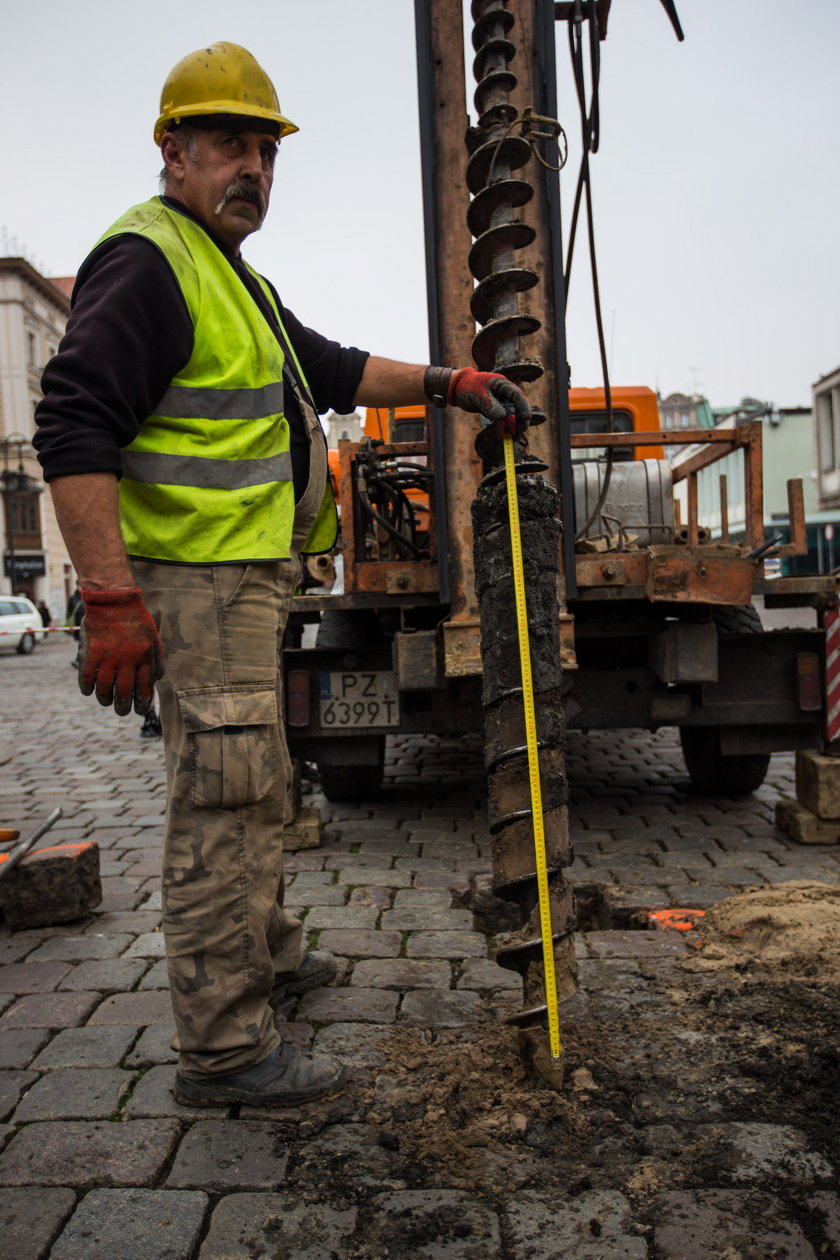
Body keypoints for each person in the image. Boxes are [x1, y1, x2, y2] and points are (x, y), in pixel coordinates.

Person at [34, 42, 531, 1108]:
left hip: (244, 585)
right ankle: (223, 1050)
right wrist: (111, 596)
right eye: (227, 144)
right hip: (194, 585)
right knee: (221, 801)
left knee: (257, 786)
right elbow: (70, 422)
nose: (251, 166)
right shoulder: (149, 262)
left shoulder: (232, 278)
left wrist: (450, 380)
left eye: (264, 148)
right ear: (174, 154)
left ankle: (268, 962)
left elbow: (333, 364)